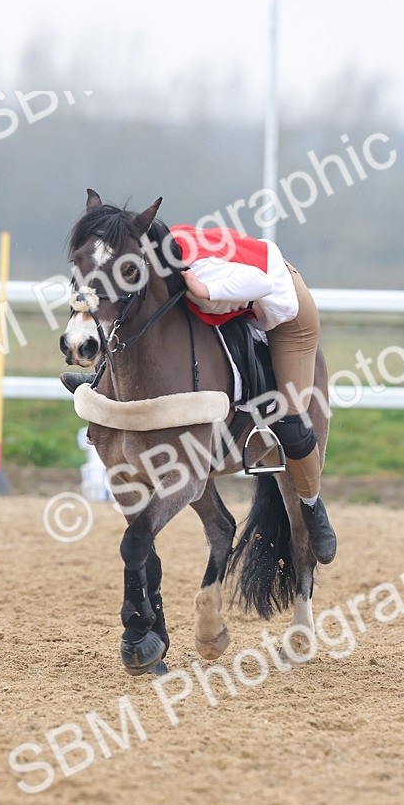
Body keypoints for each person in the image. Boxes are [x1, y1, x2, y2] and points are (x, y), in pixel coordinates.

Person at [170, 224, 337, 565]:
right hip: (244, 302)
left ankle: (312, 506)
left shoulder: (198, 269)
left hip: (285, 310)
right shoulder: (155, 260)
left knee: (290, 421)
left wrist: (204, 289)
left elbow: (261, 283)